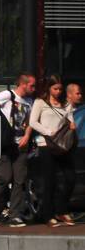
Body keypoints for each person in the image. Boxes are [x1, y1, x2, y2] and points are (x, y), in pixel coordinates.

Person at [0, 74, 36, 227]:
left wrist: (27, 136)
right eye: (32, 86)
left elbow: (30, 122)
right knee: (4, 176)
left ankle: (15, 215)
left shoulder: (30, 101)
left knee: (20, 180)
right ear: (23, 84)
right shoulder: (7, 95)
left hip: (20, 145)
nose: (34, 89)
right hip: (3, 143)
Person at [29, 76, 77, 227]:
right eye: (55, 88)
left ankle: (61, 210)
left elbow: (69, 118)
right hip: (46, 144)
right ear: (49, 88)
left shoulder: (65, 104)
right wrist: (47, 131)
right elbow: (33, 122)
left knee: (70, 178)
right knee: (50, 181)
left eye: (60, 89)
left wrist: (72, 124)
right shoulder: (40, 102)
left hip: (62, 145)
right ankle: (48, 215)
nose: (58, 91)